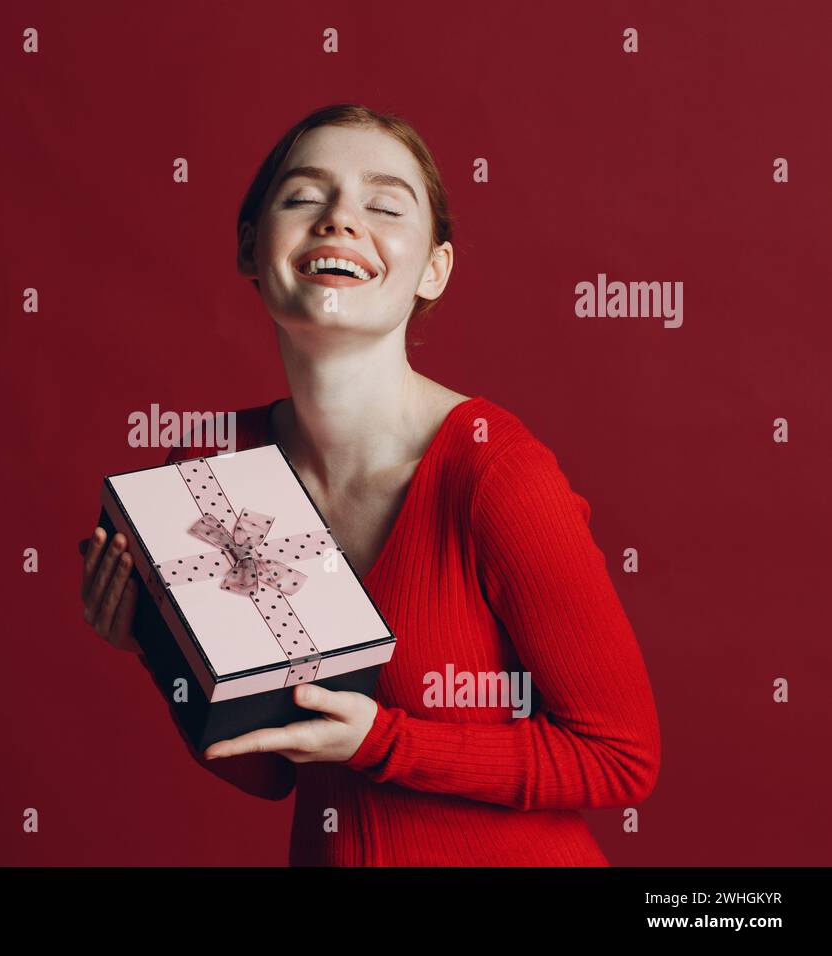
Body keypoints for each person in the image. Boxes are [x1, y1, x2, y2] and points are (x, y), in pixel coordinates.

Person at [78, 103, 660, 866]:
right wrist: (154, 647)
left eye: (384, 205)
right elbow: (269, 768)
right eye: (303, 198)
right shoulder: (210, 474)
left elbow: (620, 759)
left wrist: (384, 743)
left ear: (434, 269)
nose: (340, 221)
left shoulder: (496, 472)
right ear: (252, 249)